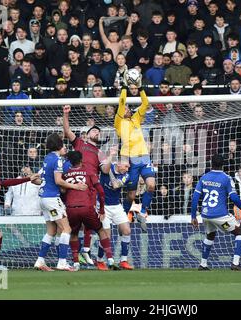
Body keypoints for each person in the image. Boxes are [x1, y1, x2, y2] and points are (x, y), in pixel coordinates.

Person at [33, 133, 87, 272]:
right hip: (52, 198)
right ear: (59, 144)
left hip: (43, 198)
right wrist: (76, 186)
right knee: (66, 229)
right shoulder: (57, 159)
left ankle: (40, 261)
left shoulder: (47, 158)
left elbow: (40, 180)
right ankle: (62, 262)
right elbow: (58, 181)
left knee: (51, 230)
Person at [191, 154, 241, 271]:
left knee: (210, 235)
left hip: (205, 216)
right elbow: (234, 198)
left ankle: (203, 264)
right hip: (221, 217)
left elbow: (195, 198)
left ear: (211, 164)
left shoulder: (204, 177)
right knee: (240, 233)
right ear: (223, 164)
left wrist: (193, 217)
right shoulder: (226, 178)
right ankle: (235, 263)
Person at [63, 151, 118, 271]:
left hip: (71, 208)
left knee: (74, 234)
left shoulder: (65, 175)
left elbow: (62, 192)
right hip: (86, 207)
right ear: (81, 160)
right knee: (101, 230)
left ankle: (76, 262)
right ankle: (110, 259)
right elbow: (101, 191)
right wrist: (102, 209)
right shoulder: (89, 172)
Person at [115, 73, 155, 233]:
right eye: (124, 108)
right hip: (130, 160)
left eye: (127, 108)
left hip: (144, 158)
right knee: (131, 195)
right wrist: (125, 87)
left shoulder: (136, 119)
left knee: (151, 185)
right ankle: (124, 217)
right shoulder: (119, 122)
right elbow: (122, 101)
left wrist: (139, 87)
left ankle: (143, 213)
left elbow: (145, 103)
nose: (126, 109)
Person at [96, 157, 134, 270]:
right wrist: (109, 158)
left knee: (126, 230)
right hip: (103, 206)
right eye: (126, 166)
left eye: (128, 167)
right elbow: (103, 168)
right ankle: (99, 260)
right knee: (106, 235)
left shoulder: (126, 175)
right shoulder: (107, 167)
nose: (127, 169)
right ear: (118, 163)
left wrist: (111, 173)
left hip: (116, 206)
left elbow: (115, 185)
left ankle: (123, 260)